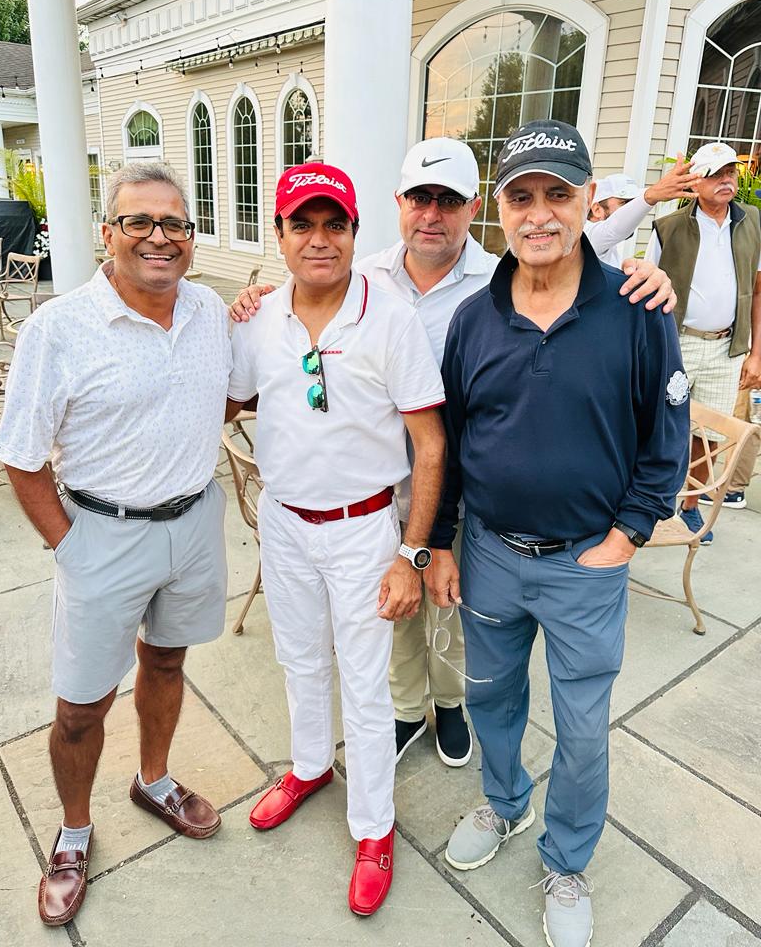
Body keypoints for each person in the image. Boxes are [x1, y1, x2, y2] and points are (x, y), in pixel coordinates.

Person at [230, 141, 678, 771]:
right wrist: (255, 302)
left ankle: (449, 705)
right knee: (393, 617)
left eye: (448, 201)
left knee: (453, 611)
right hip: (376, 488)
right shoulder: (364, 273)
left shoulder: (498, 281)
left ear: (473, 208)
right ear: (399, 203)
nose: (431, 214)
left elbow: (581, 266)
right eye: (420, 198)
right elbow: (303, 300)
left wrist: (650, 275)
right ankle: (406, 709)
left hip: (462, 485)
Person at [426, 120, 689, 947]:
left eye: (558, 194)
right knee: (490, 697)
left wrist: (629, 535)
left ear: (588, 202)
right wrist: (441, 541)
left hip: (584, 564)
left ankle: (567, 858)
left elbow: (666, 436)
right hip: (492, 555)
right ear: (499, 209)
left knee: (580, 730)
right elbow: (452, 442)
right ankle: (505, 803)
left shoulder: (638, 309)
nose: (539, 214)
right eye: (522, 197)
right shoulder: (472, 319)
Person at [0, 162, 232, 926]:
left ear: (190, 237)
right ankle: (72, 832)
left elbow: (228, 397)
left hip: (193, 522)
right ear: (108, 233)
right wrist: (70, 547)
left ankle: (153, 779)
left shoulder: (210, 311)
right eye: (138, 221)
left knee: (166, 660)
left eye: (174, 223)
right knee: (80, 705)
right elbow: (20, 456)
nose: (158, 237)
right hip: (102, 533)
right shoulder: (59, 329)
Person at [226, 163, 446, 916]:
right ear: (279, 234)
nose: (319, 240)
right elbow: (226, 401)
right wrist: (224, 314)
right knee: (298, 660)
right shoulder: (259, 318)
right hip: (286, 522)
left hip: (363, 530)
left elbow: (430, 445)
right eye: (303, 225)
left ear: (354, 231)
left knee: (364, 682)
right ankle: (310, 765)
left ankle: (374, 828)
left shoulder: (390, 317)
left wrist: (410, 553)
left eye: (334, 224)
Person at [646, 141, 761, 532]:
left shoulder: (752, 222)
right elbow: (647, 290)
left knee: (709, 436)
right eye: (715, 175)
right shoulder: (668, 228)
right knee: (660, 427)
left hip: (727, 347)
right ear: (695, 183)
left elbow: (758, 291)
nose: (726, 181)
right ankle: (653, 501)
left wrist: (755, 353)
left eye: (730, 173)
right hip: (677, 343)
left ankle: (692, 505)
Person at [585, 156, 702, 268]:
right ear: (597, 210)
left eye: (634, 202)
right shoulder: (586, 236)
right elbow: (613, 229)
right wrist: (652, 196)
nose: (632, 209)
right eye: (625, 203)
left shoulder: (608, 246)